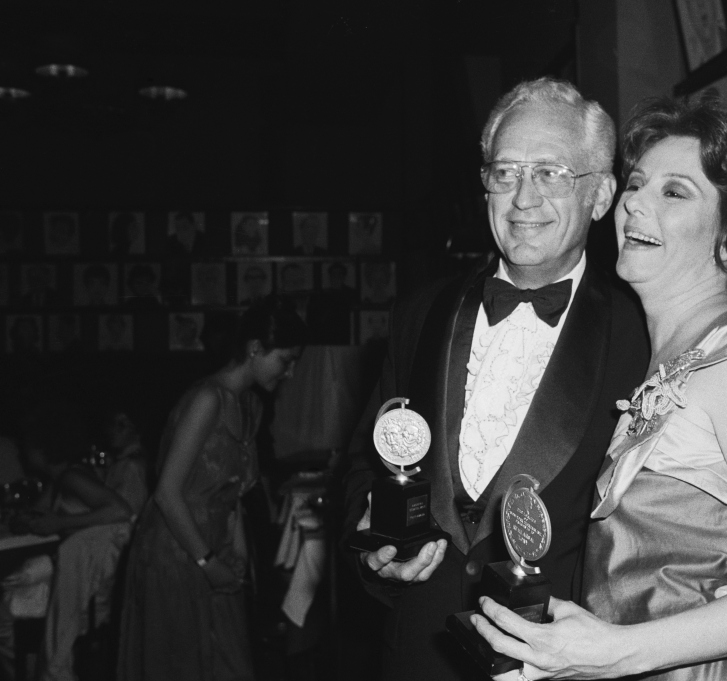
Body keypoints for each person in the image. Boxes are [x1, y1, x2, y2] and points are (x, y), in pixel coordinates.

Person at [471, 96, 727, 680]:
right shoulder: (665, 358)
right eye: (638, 183)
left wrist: (611, 653)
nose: (633, 204)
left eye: (674, 192)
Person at [335, 77, 651, 681]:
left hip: (559, 663)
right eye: (505, 172)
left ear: (603, 195)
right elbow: (363, 470)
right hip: (417, 655)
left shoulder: (642, 334)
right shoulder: (420, 314)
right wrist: (374, 552)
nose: (522, 199)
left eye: (552, 173)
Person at [118, 296, 308, 681]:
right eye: (285, 361)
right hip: (175, 552)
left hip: (215, 550)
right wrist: (208, 561)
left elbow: (234, 494)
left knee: (231, 666)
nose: (288, 373)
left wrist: (235, 554)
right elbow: (167, 493)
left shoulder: (250, 405)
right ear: (255, 349)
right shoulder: (206, 400)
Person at [15, 402, 135, 681]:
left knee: (10, 598)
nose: (21, 453)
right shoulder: (60, 479)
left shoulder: (72, 476)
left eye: (26, 446)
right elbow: (37, 513)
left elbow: (121, 510)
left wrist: (60, 524)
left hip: (90, 578)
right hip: (81, 574)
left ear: (41, 447)